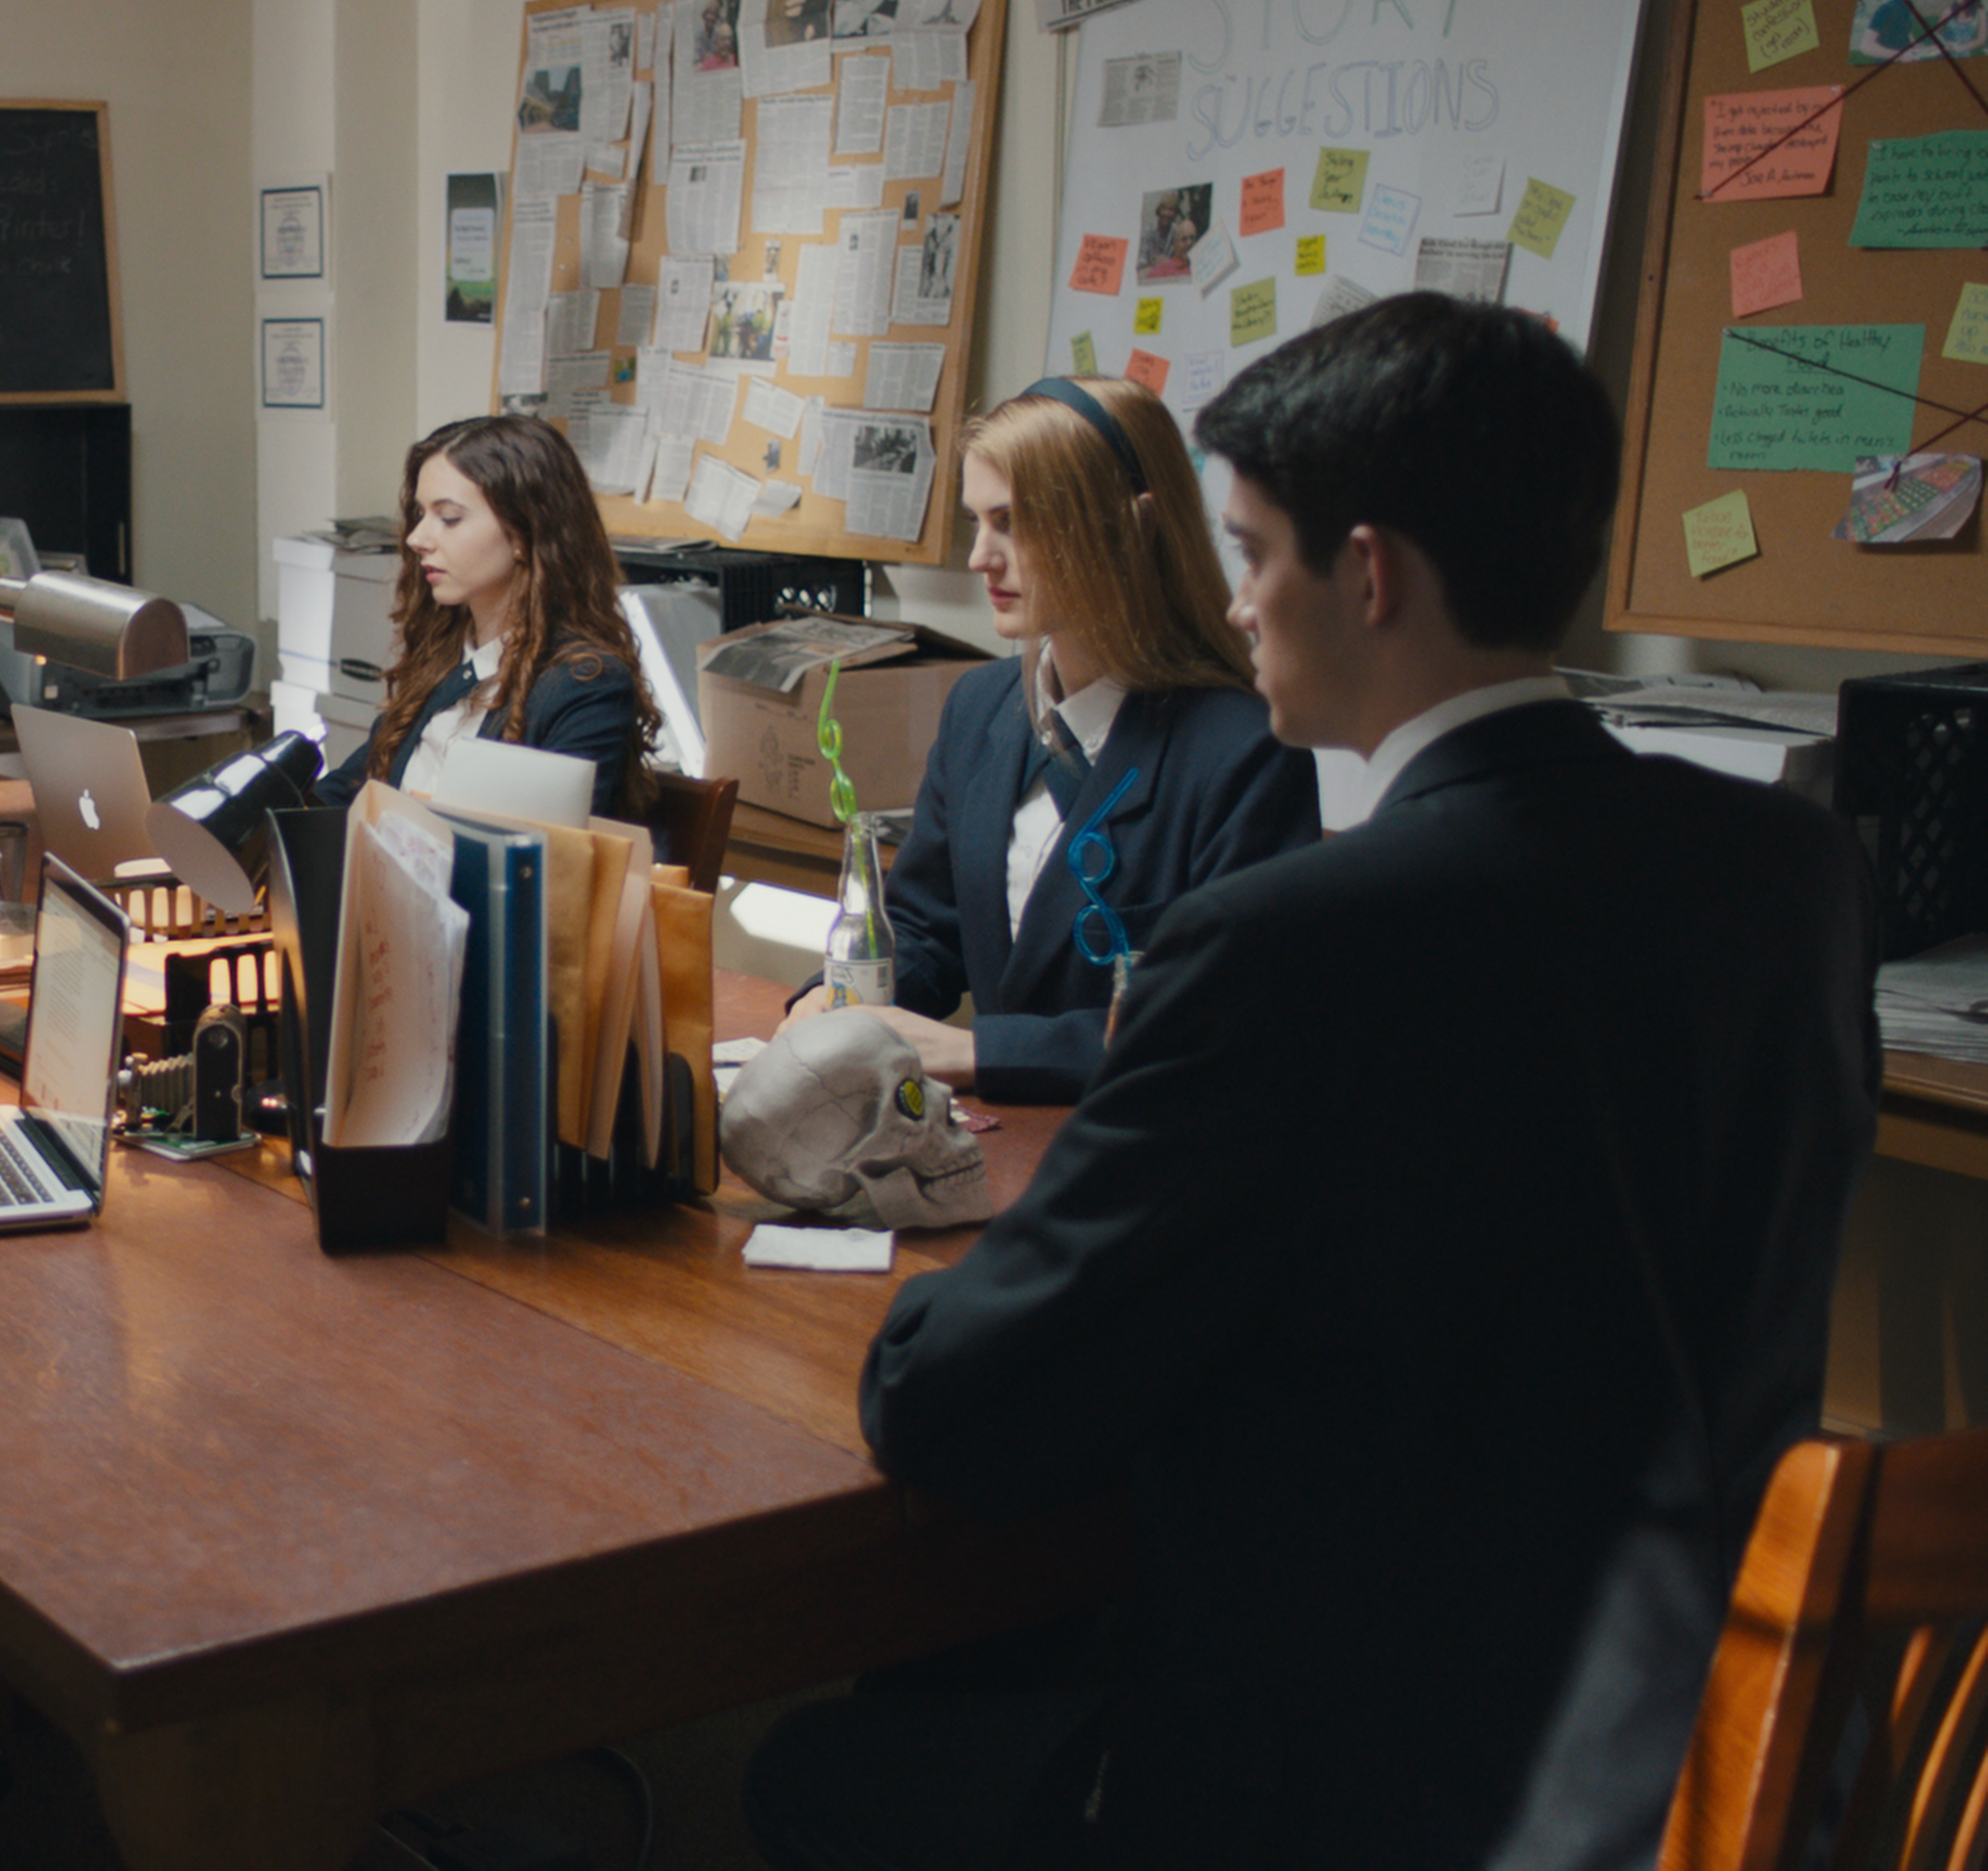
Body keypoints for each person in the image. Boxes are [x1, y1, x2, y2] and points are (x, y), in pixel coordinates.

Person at [743, 294, 1880, 1870]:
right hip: (1725, 1758)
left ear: (1367, 573)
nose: (1238, 602)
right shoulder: (1793, 875)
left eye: (1254, 552)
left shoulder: (1288, 946)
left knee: (817, 1771)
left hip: (1369, 1796)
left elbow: (953, 1409)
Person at [788, 379, 1316, 1104]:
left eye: (1012, 523)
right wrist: (838, 1001)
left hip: (1147, 1157)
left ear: (1131, 527)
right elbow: (926, 926)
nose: (980, 557)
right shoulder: (979, 707)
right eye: (978, 521)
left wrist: (983, 1053)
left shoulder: (1245, 752)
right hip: (997, 1148)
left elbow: (1233, 1024)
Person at [313, 413, 659, 822]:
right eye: (420, 514)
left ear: (523, 532)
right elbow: (346, 792)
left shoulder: (585, 685)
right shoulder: (446, 661)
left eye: (449, 518)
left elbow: (549, 863)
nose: (416, 538)